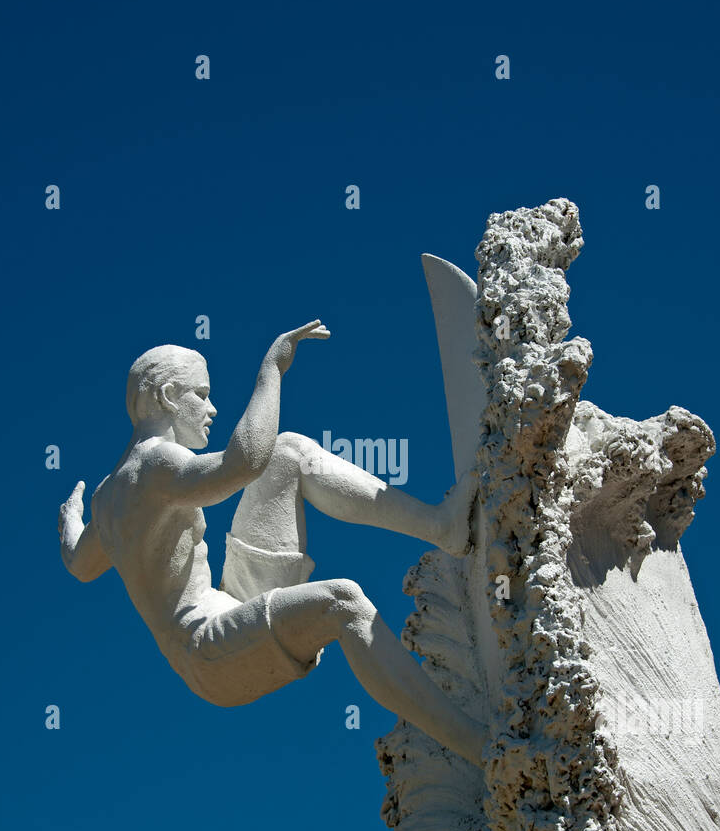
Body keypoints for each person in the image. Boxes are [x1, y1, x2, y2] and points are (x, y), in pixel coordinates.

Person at [58, 321, 485, 765]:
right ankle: (478, 747)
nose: (212, 409)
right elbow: (243, 462)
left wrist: (72, 520)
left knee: (288, 453)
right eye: (201, 394)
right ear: (167, 397)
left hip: (233, 603)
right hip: (208, 647)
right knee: (344, 602)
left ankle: (443, 529)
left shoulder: (108, 497)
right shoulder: (155, 464)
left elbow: (79, 563)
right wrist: (272, 371)